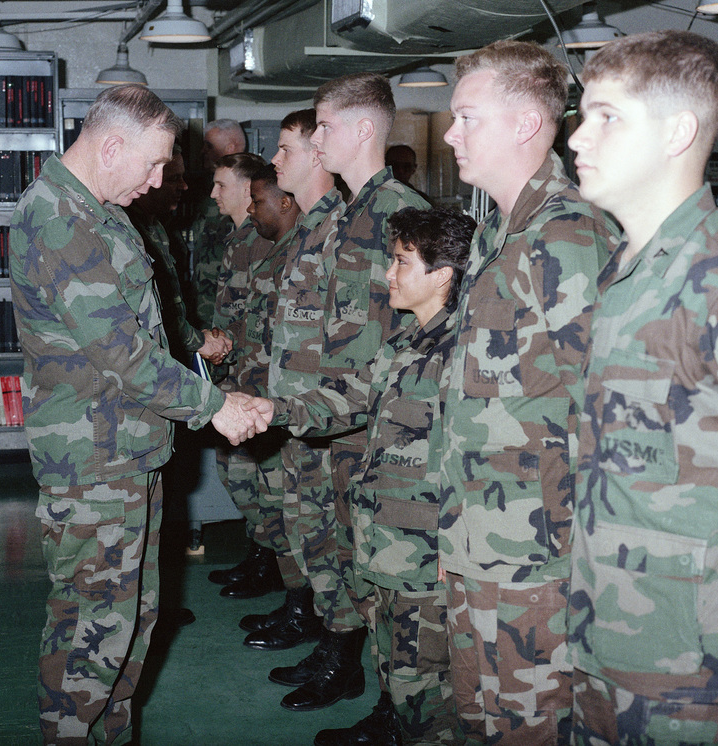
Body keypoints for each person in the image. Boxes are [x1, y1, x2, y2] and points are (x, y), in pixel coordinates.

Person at [565, 30, 718, 744]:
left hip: (702, 677)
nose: (579, 137)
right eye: (584, 114)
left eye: (607, 116)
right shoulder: (625, 271)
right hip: (602, 643)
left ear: (677, 132)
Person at [8, 84, 269, 745]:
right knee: (92, 634)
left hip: (125, 451)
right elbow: (125, 356)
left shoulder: (98, 211)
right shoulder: (62, 222)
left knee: (126, 624)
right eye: (153, 165)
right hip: (94, 463)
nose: (159, 182)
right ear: (111, 145)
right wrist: (216, 406)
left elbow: (150, 337)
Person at [437, 40, 620, 744]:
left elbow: (607, 407)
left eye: (467, 117)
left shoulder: (569, 238)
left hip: (538, 562)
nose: (451, 134)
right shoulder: (499, 235)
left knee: (533, 729)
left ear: (522, 124)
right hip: (479, 541)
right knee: (484, 723)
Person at [252, 205, 475, 746]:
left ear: (443, 274)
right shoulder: (406, 341)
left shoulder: (466, 353)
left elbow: (478, 464)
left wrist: (459, 548)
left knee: (428, 690)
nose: (388, 275)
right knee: (395, 665)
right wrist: (271, 411)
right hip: (386, 542)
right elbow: (352, 396)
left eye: (401, 262)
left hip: (428, 554)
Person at [266, 72, 431, 720]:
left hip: (377, 430)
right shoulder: (349, 214)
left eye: (326, 127)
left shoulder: (401, 214)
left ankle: (400, 710)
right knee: (350, 562)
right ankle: (357, 673)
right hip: (341, 421)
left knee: (386, 578)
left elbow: (422, 334)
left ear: (364, 129)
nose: (317, 140)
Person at [242, 108, 340, 652]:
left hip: (326, 413)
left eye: (285, 151)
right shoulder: (309, 228)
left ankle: (338, 650)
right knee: (304, 530)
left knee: (328, 538)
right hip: (294, 405)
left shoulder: (341, 229)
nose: (275, 162)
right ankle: (315, 626)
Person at [207, 151, 288, 599]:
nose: (213, 194)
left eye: (221, 185)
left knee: (263, 479)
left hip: (257, 374)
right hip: (236, 370)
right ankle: (263, 556)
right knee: (242, 476)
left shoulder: (268, 239)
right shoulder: (241, 239)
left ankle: (272, 564)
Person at [127, 145, 230, 365]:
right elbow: (151, 315)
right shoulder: (130, 230)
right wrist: (199, 341)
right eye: (174, 179)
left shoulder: (155, 225)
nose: (184, 186)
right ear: (149, 180)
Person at [187, 118, 246, 326]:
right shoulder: (204, 190)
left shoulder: (256, 193)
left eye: (209, 145)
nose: (202, 151)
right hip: (204, 305)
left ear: (230, 148)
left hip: (232, 311)